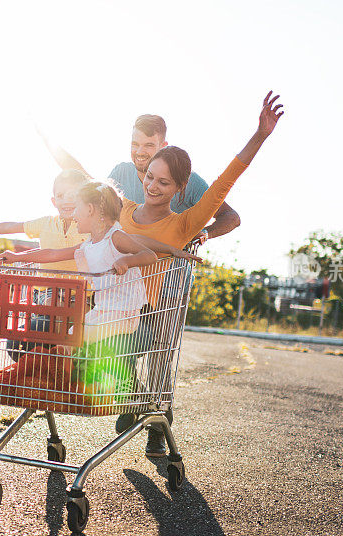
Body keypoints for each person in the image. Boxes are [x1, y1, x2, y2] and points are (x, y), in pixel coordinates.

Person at [114, 91, 285, 457]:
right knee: (117, 349)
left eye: (163, 180)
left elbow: (228, 183)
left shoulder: (187, 204)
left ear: (179, 186)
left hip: (168, 290)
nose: (151, 179)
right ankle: (135, 398)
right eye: (137, 147)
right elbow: (91, 204)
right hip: (127, 294)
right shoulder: (124, 194)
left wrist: (259, 136)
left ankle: (158, 424)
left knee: (160, 358)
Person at [0, 181, 195, 344]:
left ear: (90, 210)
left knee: (79, 338)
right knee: (70, 336)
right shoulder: (88, 245)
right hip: (104, 309)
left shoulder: (115, 237)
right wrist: (16, 258)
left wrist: (127, 260)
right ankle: (69, 383)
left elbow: (149, 255)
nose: (73, 216)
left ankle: (77, 383)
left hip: (124, 313)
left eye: (77, 209)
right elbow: (52, 254)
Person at [40, 114, 241, 243]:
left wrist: (205, 233)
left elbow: (231, 217)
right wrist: (47, 140)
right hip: (124, 278)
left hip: (169, 284)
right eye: (135, 144)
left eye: (148, 145)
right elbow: (90, 182)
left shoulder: (189, 181)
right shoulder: (121, 173)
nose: (140, 152)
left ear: (163, 146)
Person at [0, 169, 90, 271]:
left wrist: (18, 257)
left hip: (83, 291)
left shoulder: (90, 228)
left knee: (70, 303)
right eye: (60, 196)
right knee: (50, 302)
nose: (66, 201)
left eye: (72, 195)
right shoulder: (46, 223)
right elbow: (13, 227)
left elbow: (53, 254)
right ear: (54, 201)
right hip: (47, 288)